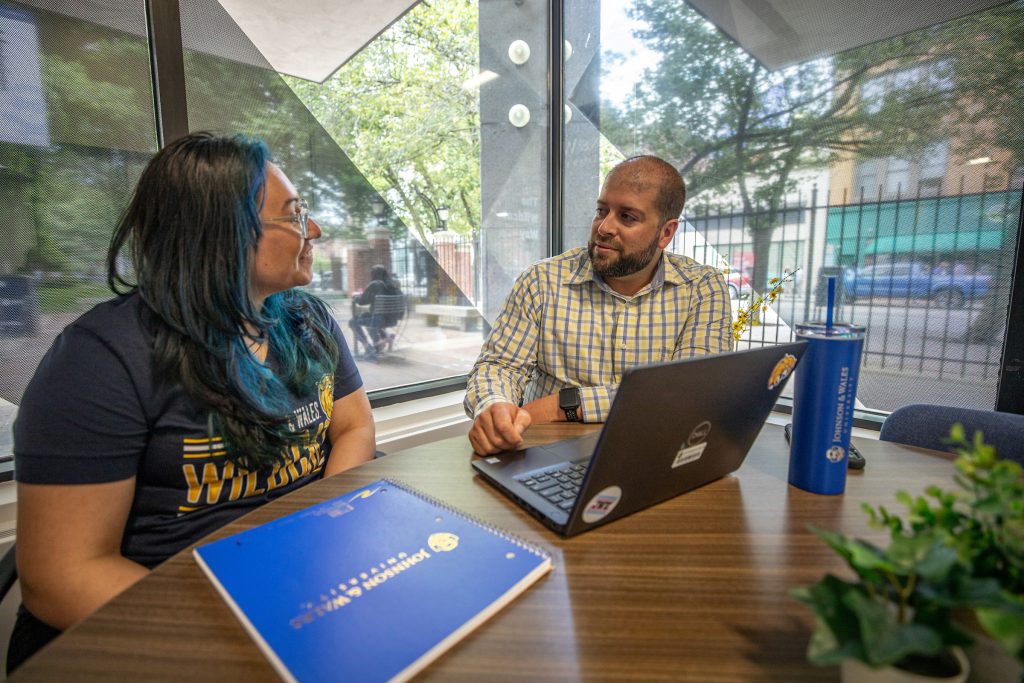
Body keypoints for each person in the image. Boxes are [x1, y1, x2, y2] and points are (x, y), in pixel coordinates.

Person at [8, 132, 375, 671]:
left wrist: (321, 526)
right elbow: (61, 578)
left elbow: (354, 428)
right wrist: (241, 630)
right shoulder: (99, 360)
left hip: (295, 585)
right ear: (224, 234)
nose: (314, 230)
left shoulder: (308, 317)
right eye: (295, 216)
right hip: (170, 627)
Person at [464, 155, 733, 455]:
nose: (604, 227)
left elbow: (690, 393)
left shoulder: (702, 288)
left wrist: (562, 404)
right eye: (601, 210)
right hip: (547, 453)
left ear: (666, 233)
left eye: (627, 217)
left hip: (652, 454)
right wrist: (494, 406)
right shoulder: (541, 281)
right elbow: (499, 366)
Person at [349, 264, 402, 357]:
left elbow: (362, 301)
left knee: (353, 322)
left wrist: (355, 297)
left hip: (378, 320)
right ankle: (386, 338)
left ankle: (368, 346)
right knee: (365, 316)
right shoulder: (393, 285)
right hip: (391, 320)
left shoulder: (375, 284)